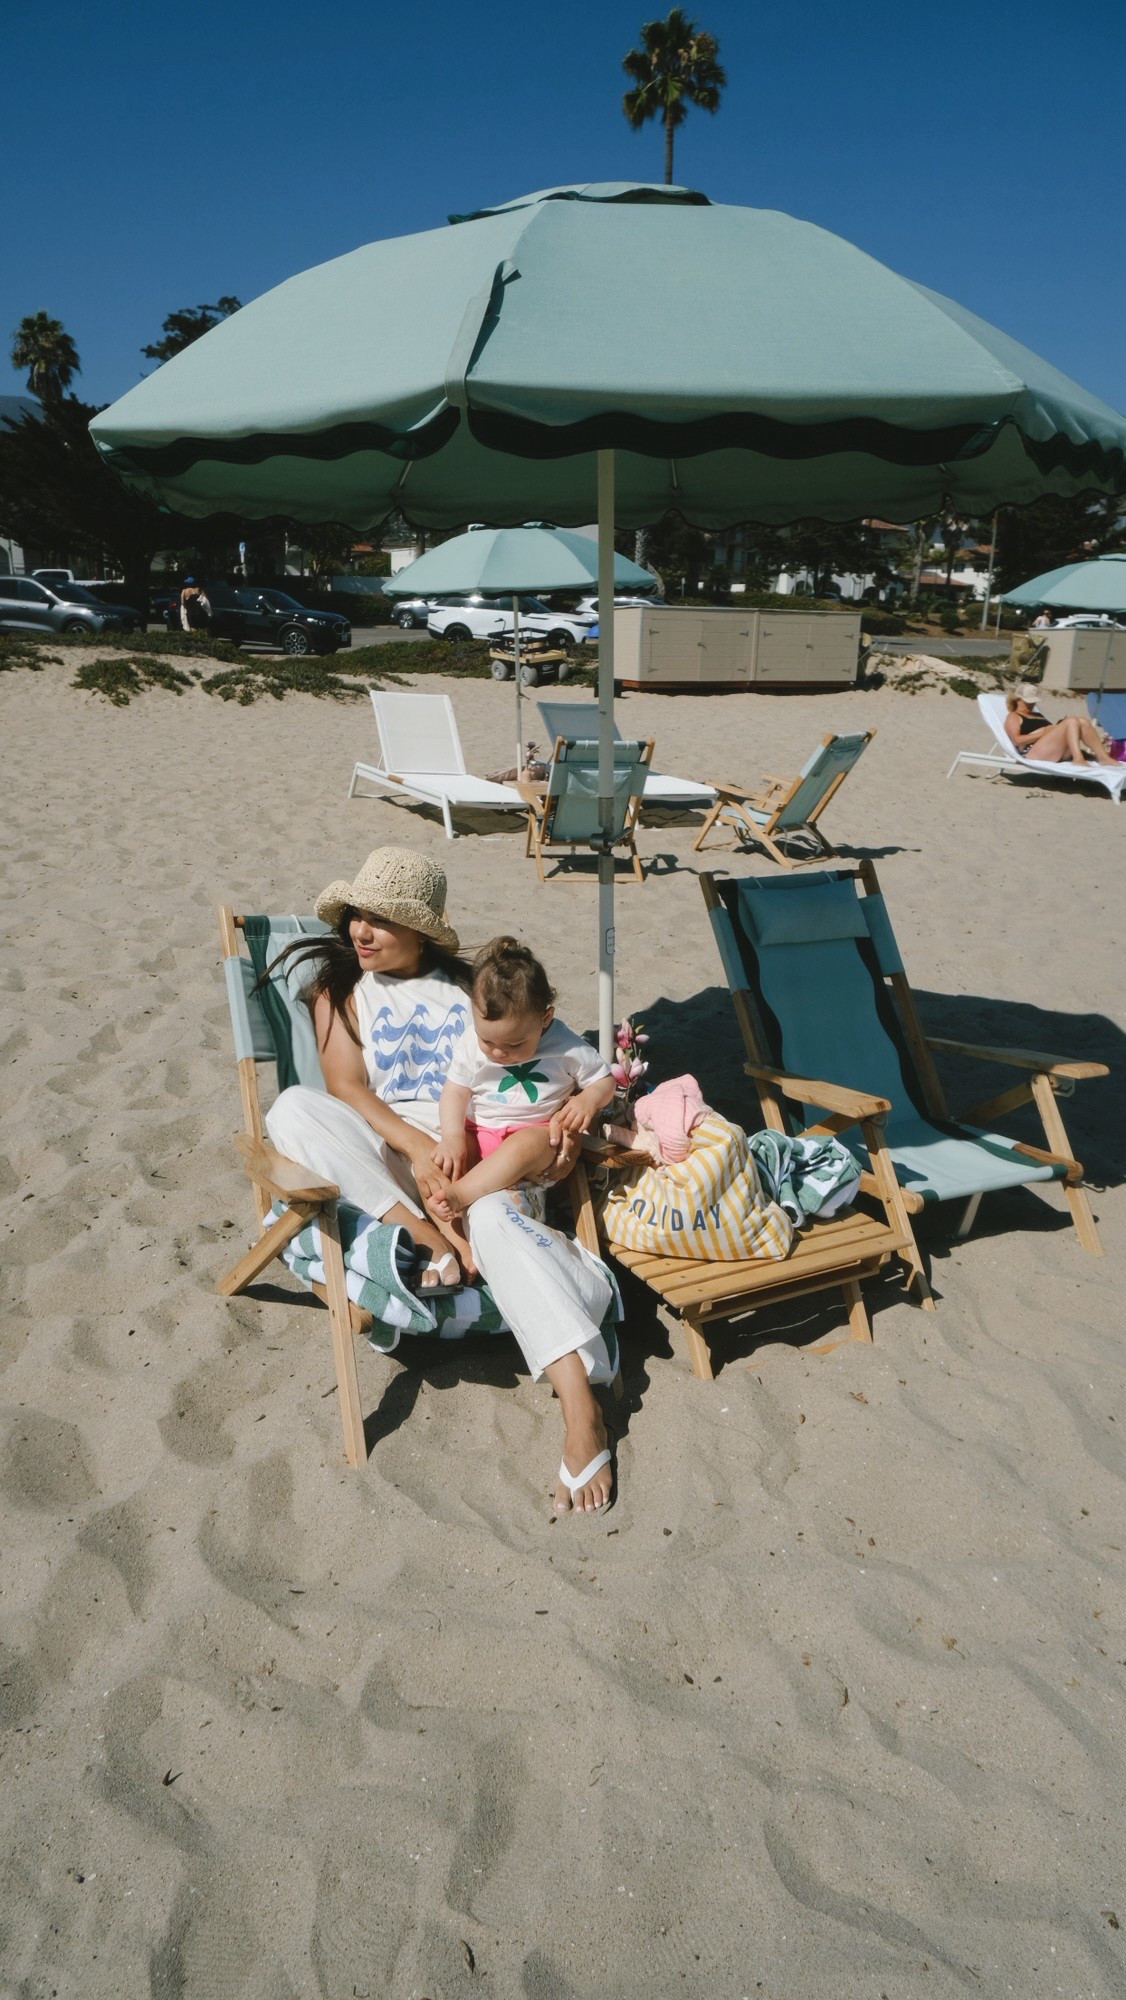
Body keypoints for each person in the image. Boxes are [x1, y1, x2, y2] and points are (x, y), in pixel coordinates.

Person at [263, 848, 618, 1514]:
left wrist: (565, 1129)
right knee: (290, 1110)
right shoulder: (339, 992)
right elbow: (346, 1089)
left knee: (492, 1215)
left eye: (381, 920)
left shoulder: (469, 987)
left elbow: (546, 1066)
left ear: (422, 931)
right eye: (357, 916)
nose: (361, 931)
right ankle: (427, 1238)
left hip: (483, 1157)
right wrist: (420, 1148)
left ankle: (581, 1407)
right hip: (391, 1150)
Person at [423, 937, 616, 1240]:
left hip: (537, 1139)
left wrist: (589, 1099)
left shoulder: (564, 1045)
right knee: (440, 1159)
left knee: (523, 1146)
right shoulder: (470, 1042)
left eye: (515, 1044)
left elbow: (605, 1080)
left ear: (545, 1018)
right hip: (480, 1130)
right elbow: (455, 1091)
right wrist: (453, 1138)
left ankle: (460, 1195)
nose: (499, 1052)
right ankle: (458, 1229)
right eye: (488, 1041)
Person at [1003, 688, 1118, 766]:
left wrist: (1057, 726)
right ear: (1017, 700)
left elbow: (1051, 734)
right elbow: (1017, 740)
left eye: (1033, 702)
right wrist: (1044, 732)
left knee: (1082, 721)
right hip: (1033, 752)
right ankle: (1078, 758)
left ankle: (1103, 757)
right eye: (1027, 702)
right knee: (1071, 721)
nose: (1031, 704)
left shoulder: (1037, 715)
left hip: (1051, 749)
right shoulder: (1013, 716)